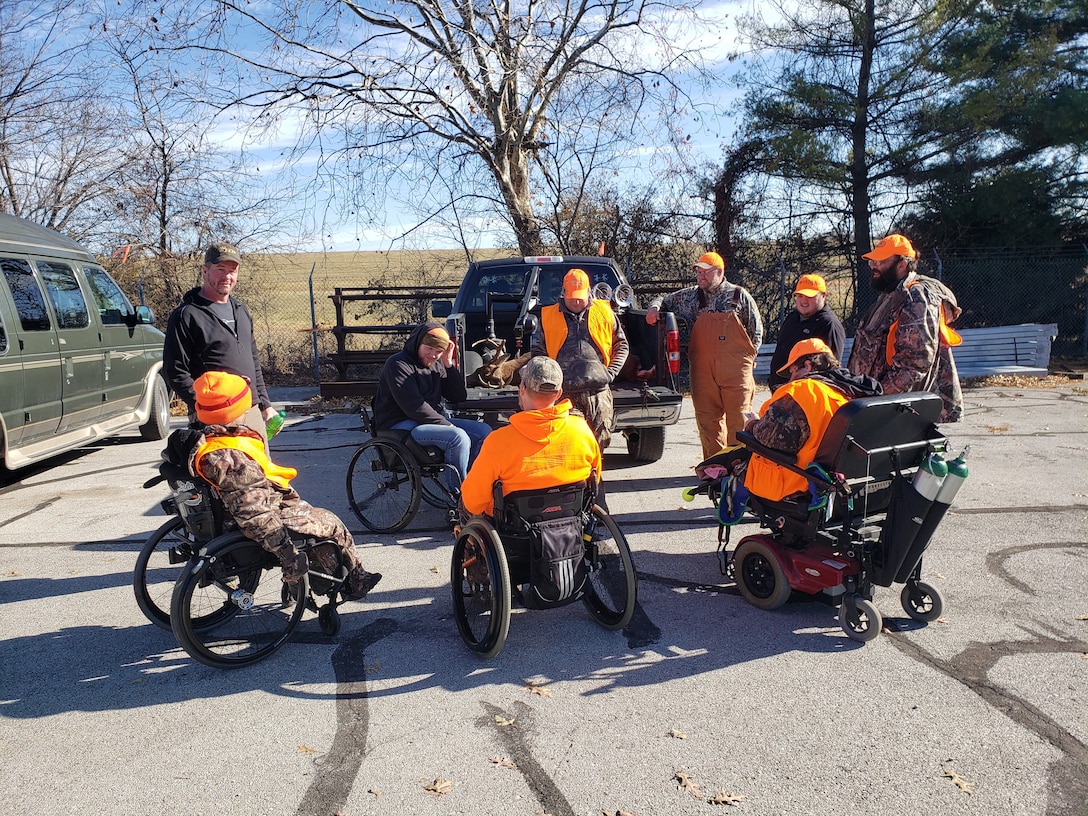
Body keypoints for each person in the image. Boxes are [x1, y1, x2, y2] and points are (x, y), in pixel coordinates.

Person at [165, 371, 381, 598]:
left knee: (312, 515)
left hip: (229, 514)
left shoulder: (204, 443)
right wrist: (288, 554)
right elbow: (254, 514)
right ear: (238, 409)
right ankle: (354, 583)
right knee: (332, 524)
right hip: (260, 522)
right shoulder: (233, 461)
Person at [697, 339, 882, 505]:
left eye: (793, 371)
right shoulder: (848, 392)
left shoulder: (803, 391)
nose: (791, 378)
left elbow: (770, 440)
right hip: (839, 479)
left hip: (796, 481)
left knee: (732, 461)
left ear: (807, 366)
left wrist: (752, 425)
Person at [646, 251, 764, 459]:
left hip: (735, 369)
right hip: (702, 370)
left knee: (739, 420)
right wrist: (654, 308)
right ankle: (714, 468)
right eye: (698, 272)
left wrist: (748, 359)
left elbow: (756, 330)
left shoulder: (738, 295)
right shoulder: (690, 296)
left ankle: (740, 468)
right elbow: (662, 300)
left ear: (720, 272)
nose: (701, 276)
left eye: (706, 272)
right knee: (707, 421)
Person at [460, 356, 601, 519]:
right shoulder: (582, 430)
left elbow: (473, 502)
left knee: (465, 505)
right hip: (569, 524)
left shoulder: (498, 441)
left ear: (522, 389)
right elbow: (595, 479)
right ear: (559, 394)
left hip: (514, 532)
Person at [163, 242, 277, 442]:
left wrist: (265, 406)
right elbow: (175, 371)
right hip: (215, 419)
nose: (227, 276)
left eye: (232, 271)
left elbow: (253, 361)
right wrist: (207, 406)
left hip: (250, 412)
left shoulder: (241, 311)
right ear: (205, 270)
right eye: (220, 269)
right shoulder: (186, 315)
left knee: (260, 471)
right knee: (225, 472)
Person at [847, 234, 963, 422]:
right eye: (872, 261)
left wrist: (877, 399)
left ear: (902, 264)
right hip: (884, 406)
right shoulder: (891, 295)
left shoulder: (915, 297)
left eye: (880, 261)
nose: (873, 266)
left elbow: (914, 364)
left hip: (900, 411)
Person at [371, 322, 492, 483]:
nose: (434, 355)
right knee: (458, 437)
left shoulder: (436, 365)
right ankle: (460, 495)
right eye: (429, 348)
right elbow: (414, 407)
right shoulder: (398, 364)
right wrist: (447, 425)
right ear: (418, 342)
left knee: (484, 431)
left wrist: (448, 364)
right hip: (399, 426)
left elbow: (458, 395)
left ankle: (473, 483)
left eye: (439, 351)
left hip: (426, 423)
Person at [531, 268, 629, 449]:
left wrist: (611, 372)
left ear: (589, 292)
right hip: (564, 392)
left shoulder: (605, 312)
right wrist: (548, 381)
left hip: (598, 390)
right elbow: (538, 352)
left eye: (580, 296)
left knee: (601, 441)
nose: (576, 301)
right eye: (572, 296)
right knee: (570, 442)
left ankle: (595, 476)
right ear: (564, 293)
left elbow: (621, 345)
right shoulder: (547, 316)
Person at [766, 273, 846, 391]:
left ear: (824, 296)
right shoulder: (792, 318)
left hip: (806, 395)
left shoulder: (829, 325)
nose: (803, 300)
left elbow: (830, 368)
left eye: (810, 296)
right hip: (782, 392)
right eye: (800, 295)